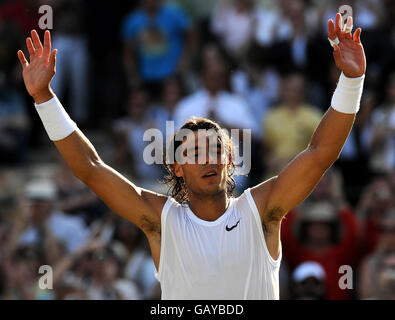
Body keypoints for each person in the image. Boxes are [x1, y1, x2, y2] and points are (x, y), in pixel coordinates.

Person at [17, 13, 366, 299]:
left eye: (217, 150)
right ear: (178, 168)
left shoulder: (261, 210)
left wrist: (352, 80)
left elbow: (320, 153)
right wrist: (44, 98)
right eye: (196, 152)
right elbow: (91, 169)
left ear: (230, 161)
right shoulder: (160, 219)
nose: (209, 158)